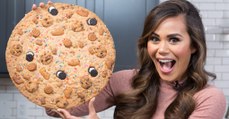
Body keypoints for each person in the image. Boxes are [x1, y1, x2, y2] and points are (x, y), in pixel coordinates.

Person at [33, 0, 226, 119]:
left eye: (174, 39)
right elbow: (57, 107)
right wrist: (48, 52)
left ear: (194, 45)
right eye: (154, 39)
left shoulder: (208, 98)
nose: (161, 49)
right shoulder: (124, 81)